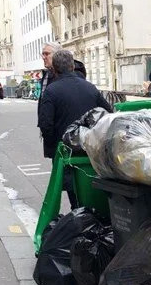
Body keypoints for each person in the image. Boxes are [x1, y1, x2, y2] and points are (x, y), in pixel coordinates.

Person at [38, 50, 113, 207]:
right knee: (90, 189)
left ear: (55, 69)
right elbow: (109, 113)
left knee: (74, 193)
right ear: (72, 66)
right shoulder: (90, 88)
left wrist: (54, 145)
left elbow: (46, 125)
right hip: (90, 149)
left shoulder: (51, 91)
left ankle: (80, 219)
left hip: (66, 150)